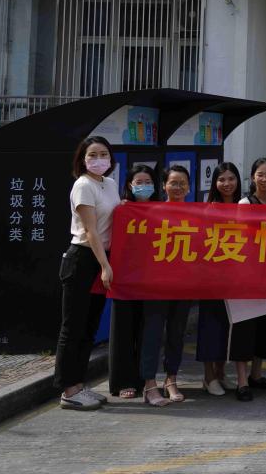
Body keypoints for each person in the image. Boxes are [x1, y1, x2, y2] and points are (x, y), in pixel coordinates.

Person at [55, 136, 120, 410]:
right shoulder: (83, 185)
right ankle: (68, 390)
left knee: (89, 327)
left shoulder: (110, 183)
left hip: (102, 259)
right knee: (73, 328)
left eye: (103, 154)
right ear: (82, 159)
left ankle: (79, 384)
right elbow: (91, 231)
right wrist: (105, 266)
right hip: (82, 259)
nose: (98, 159)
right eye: (92, 155)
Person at [140, 164, 195, 406]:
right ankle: (149, 384)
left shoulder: (197, 214)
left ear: (189, 187)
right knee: (152, 332)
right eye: (173, 183)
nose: (178, 187)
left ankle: (171, 380)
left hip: (184, 284)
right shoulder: (152, 212)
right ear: (164, 186)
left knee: (176, 333)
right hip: (156, 284)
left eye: (183, 183)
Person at [198, 162, 250, 399]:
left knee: (229, 327)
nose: (227, 184)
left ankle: (220, 373)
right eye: (222, 179)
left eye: (231, 178)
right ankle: (208, 376)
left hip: (238, 278)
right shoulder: (209, 209)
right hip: (213, 278)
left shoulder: (245, 206)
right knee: (211, 326)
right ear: (214, 183)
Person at [107, 164, 157, 401]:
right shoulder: (121, 209)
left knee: (146, 329)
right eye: (139, 182)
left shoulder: (161, 210)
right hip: (125, 278)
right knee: (123, 329)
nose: (144, 186)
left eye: (148, 182)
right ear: (129, 185)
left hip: (151, 279)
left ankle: (143, 378)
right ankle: (123, 381)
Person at [235, 157, 266, 392]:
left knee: (265, 326)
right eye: (260, 174)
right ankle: (242, 380)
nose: (264, 179)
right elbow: (244, 238)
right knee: (245, 327)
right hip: (248, 275)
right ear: (253, 177)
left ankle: (256, 374)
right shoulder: (245, 203)